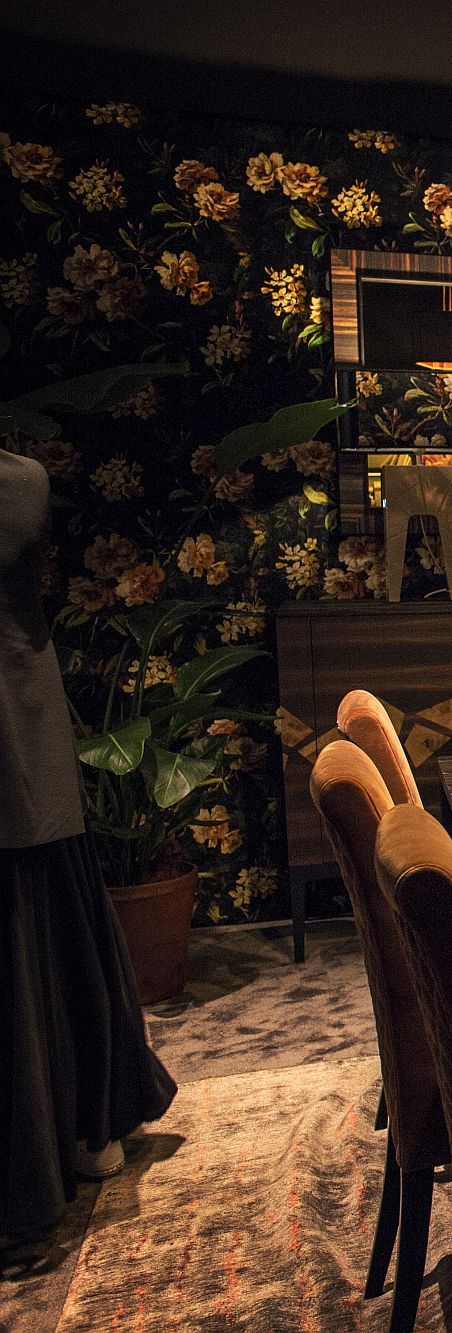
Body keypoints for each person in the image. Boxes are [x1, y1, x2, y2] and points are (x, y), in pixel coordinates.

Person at [2, 448, 175, 1238]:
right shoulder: (21, 482)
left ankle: (67, 1128)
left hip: (18, 741)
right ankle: (80, 1126)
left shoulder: (20, 482)